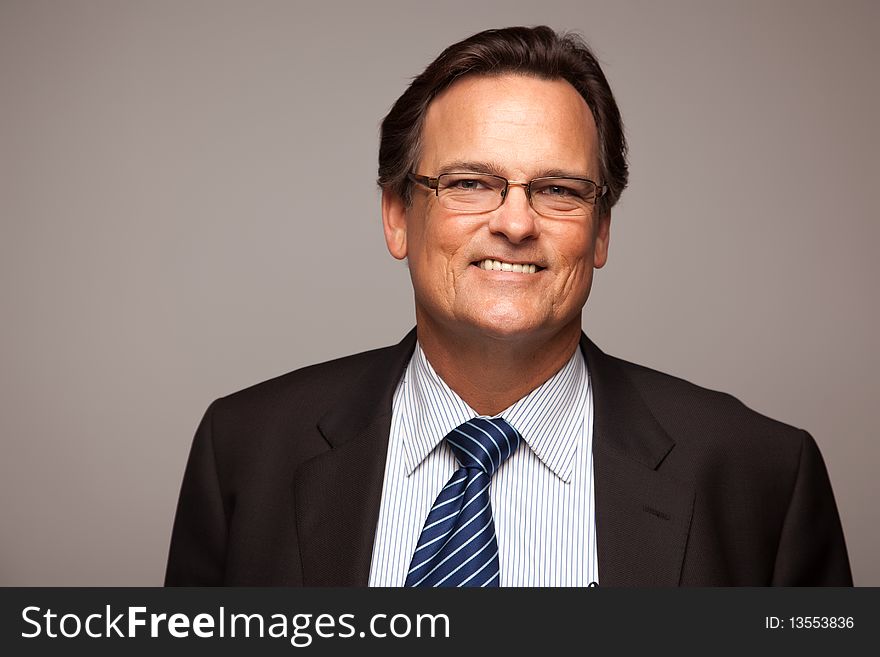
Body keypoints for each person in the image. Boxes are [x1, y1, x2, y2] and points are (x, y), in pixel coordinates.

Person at [164, 26, 851, 586]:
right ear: (398, 215)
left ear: (601, 229)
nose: (516, 224)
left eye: (558, 189)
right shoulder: (246, 452)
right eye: (470, 182)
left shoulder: (760, 474)